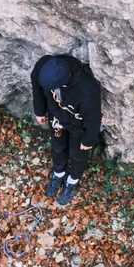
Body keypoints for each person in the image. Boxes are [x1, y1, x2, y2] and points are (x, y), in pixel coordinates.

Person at [31, 53, 102, 207]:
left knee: (78, 154)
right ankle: (59, 173)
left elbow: (93, 116)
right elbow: (36, 85)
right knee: (58, 147)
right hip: (57, 118)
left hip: (78, 125)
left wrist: (88, 139)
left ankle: (72, 180)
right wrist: (40, 110)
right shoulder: (44, 67)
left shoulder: (87, 88)